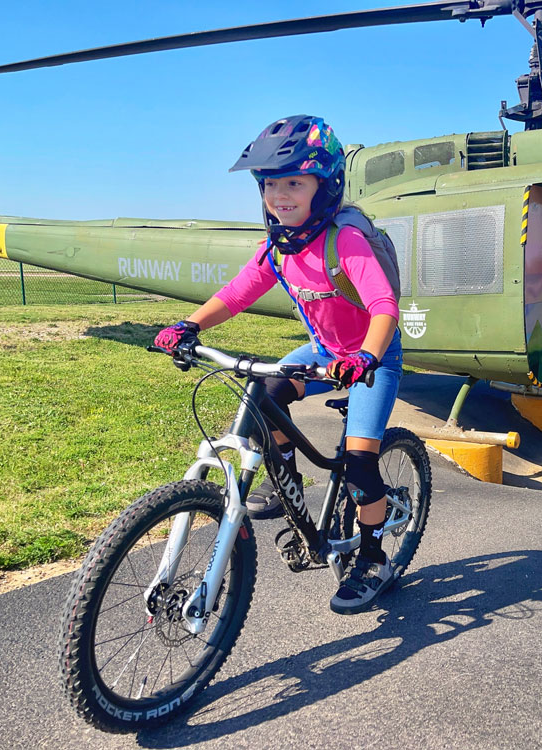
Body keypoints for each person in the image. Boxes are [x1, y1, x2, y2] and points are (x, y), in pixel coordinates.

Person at [154, 115, 402, 615]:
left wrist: (366, 357)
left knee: (358, 465)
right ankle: (291, 500)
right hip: (323, 350)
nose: (279, 195)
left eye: (294, 182)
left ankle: (374, 558)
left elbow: (384, 308)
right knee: (263, 396)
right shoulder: (280, 245)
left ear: (325, 185)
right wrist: (190, 326)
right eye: (270, 184)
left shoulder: (344, 239)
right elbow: (236, 294)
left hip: (372, 357)